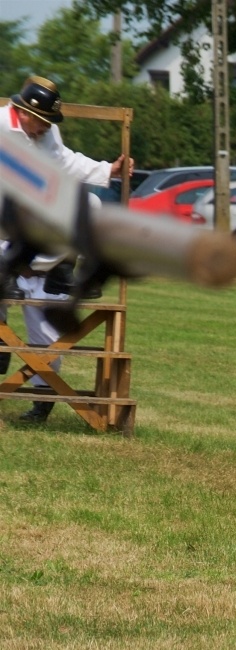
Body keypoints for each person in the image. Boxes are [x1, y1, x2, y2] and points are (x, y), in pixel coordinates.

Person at [2, 76, 132, 422]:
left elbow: (65, 160)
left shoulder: (47, 133)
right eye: (41, 122)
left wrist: (108, 170)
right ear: (22, 113)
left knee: (89, 206)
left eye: (48, 123)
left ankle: (43, 402)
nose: (46, 129)